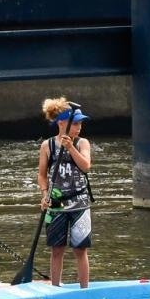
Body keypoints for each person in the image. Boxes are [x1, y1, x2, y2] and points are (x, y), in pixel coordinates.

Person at [37, 98, 93, 288]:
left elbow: (86, 167)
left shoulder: (82, 143)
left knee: (80, 250)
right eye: (75, 123)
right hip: (56, 204)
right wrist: (45, 194)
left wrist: (70, 148)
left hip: (80, 204)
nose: (79, 127)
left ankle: (84, 289)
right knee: (57, 249)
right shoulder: (47, 146)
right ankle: (55, 286)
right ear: (62, 123)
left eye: (80, 123)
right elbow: (42, 176)